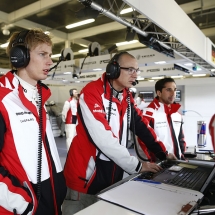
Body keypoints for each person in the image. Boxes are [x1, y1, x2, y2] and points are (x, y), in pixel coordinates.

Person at [63, 52, 176, 215]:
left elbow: (142, 126)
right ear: (113, 69)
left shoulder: (126, 97)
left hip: (113, 175)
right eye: (130, 69)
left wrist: (163, 153)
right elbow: (103, 138)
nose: (135, 74)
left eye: (136, 70)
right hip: (85, 178)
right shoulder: (92, 92)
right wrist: (137, 166)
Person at [0, 29, 66, 215]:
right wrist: (24, 205)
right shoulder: (3, 100)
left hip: (51, 203)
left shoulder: (38, 97)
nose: (50, 62)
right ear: (19, 57)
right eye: (42, 54)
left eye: (50, 55)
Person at [140, 77, 186, 161]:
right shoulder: (148, 114)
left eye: (174, 90)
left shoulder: (177, 114)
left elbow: (181, 138)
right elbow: (142, 143)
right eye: (168, 90)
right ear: (159, 93)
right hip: (158, 165)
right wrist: (152, 163)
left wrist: (182, 156)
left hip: (177, 162)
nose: (173, 93)